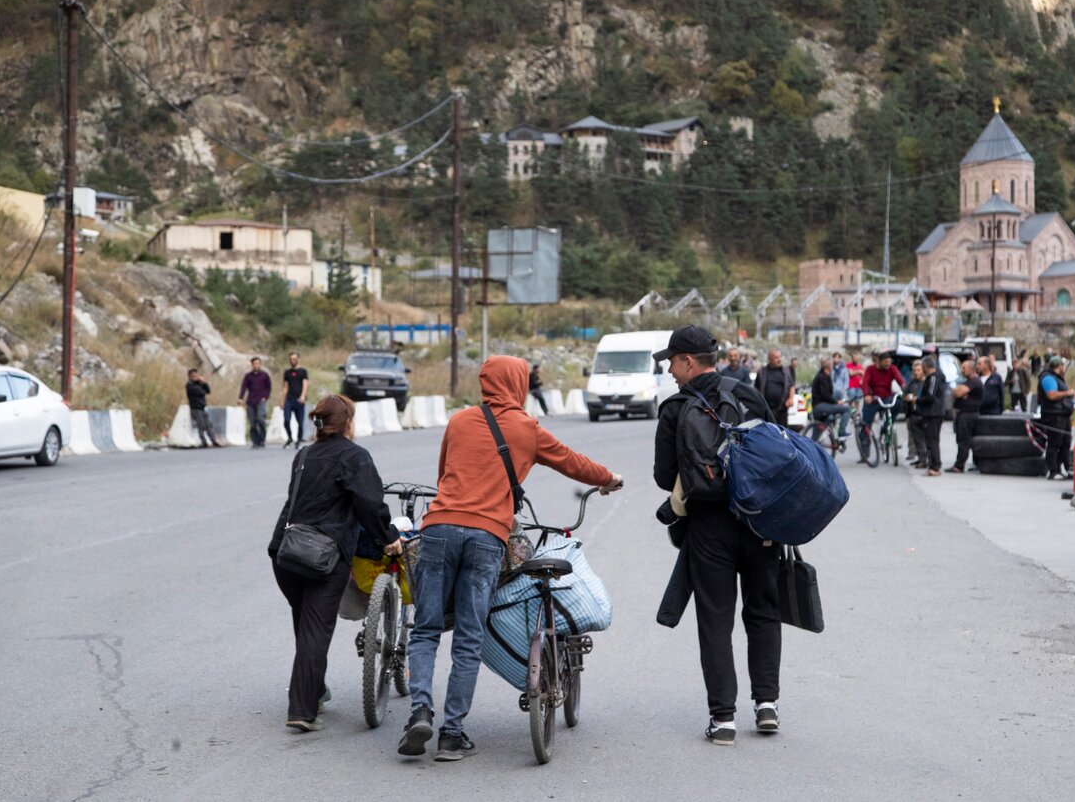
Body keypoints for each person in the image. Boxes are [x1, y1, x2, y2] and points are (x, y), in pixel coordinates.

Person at [399, 356, 622, 761]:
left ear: (485, 383)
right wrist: (607, 479)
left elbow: (444, 474)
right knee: (470, 634)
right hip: (487, 536)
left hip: (439, 528)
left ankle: (419, 710)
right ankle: (451, 733)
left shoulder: (459, 421)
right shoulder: (527, 429)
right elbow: (573, 462)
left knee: (427, 628)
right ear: (519, 384)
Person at [650, 325, 783, 746]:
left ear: (689, 361)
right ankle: (767, 706)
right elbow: (780, 448)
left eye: (672, 361)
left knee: (715, 621)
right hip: (760, 521)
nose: (669, 370)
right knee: (762, 612)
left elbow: (662, 477)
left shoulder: (676, 407)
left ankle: (723, 719)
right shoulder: (747, 394)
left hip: (709, 528)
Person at [269, 395, 402, 733]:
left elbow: (294, 503)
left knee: (306, 624)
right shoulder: (355, 457)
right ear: (347, 423)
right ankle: (302, 709)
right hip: (322, 558)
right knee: (314, 631)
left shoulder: (304, 454)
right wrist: (388, 537)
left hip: (286, 554)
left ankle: (313, 691)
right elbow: (370, 506)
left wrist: (278, 548)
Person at [1037, 356, 1075, 480]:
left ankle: (1063, 468)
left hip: (1063, 415)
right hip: (1054, 415)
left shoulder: (1058, 378)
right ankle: (1053, 470)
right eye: (1063, 365)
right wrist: (1067, 393)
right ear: (1059, 366)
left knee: (1065, 443)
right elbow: (1051, 395)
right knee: (1055, 443)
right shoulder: (1048, 377)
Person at [949, 360, 982, 474]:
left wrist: (959, 392)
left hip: (968, 415)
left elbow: (958, 393)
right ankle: (959, 463)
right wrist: (959, 391)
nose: (962, 370)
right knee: (961, 439)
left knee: (964, 440)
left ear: (971, 369)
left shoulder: (974, 381)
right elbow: (956, 391)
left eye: (964, 368)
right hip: (962, 414)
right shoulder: (967, 382)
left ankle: (959, 465)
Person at [917, 355, 946, 476]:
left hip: (933, 413)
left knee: (932, 440)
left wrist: (918, 400)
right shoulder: (934, 377)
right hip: (933, 413)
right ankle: (934, 464)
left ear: (925, 366)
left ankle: (935, 466)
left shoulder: (933, 378)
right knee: (932, 440)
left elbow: (930, 396)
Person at [811, 358, 852, 440]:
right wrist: (836, 402)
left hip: (817, 407)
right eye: (831, 365)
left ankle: (809, 449)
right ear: (829, 366)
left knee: (815, 436)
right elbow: (825, 394)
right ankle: (841, 432)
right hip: (820, 406)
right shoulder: (823, 377)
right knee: (847, 409)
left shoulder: (823, 376)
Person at [862, 352, 903, 430]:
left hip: (886, 398)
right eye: (886, 362)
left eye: (890, 362)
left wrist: (905, 389)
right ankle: (865, 438)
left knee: (899, 404)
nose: (888, 364)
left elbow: (900, 380)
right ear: (879, 361)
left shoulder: (892, 368)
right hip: (873, 399)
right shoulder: (870, 369)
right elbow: (865, 383)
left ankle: (886, 426)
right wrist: (866, 394)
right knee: (866, 422)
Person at [755, 349, 794, 428]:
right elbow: (756, 389)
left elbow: (791, 386)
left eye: (780, 357)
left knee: (781, 433)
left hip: (781, 410)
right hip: (766, 409)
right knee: (768, 432)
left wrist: (790, 398)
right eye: (776, 358)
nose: (779, 360)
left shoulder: (786, 371)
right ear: (770, 359)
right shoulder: (762, 372)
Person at [239, 357, 272, 449]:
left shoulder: (265, 375)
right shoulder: (248, 376)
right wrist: (240, 398)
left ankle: (262, 438)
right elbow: (243, 387)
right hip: (250, 401)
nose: (256, 365)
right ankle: (255, 441)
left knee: (261, 418)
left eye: (257, 363)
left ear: (260, 364)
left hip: (261, 400)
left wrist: (265, 397)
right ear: (252, 365)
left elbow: (269, 388)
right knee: (252, 422)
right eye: (254, 364)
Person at [185, 368, 221, 448]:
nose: (195, 376)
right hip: (195, 408)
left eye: (196, 375)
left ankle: (213, 441)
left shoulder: (199, 383)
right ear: (190, 376)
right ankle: (204, 442)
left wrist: (204, 383)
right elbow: (201, 392)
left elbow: (208, 391)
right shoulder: (189, 385)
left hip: (202, 407)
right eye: (193, 375)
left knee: (209, 425)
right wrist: (201, 386)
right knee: (201, 425)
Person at [282, 352, 309, 449]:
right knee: (286, 420)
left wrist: (303, 396)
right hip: (289, 399)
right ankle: (290, 438)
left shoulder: (303, 371)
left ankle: (298, 440)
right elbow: (285, 387)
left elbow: (305, 384)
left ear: (298, 359)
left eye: (294, 359)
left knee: (300, 422)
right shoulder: (287, 372)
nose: (292, 360)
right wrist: (282, 401)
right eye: (291, 359)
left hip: (299, 400)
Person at [903, 361, 927, 467]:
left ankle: (926, 459)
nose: (916, 373)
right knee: (916, 438)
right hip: (913, 413)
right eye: (914, 370)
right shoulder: (911, 382)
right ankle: (919, 457)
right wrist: (907, 398)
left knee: (925, 439)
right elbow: (904, 395)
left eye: (918, 370)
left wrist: (918, 399)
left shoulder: (927, 382)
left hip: (925, 414)